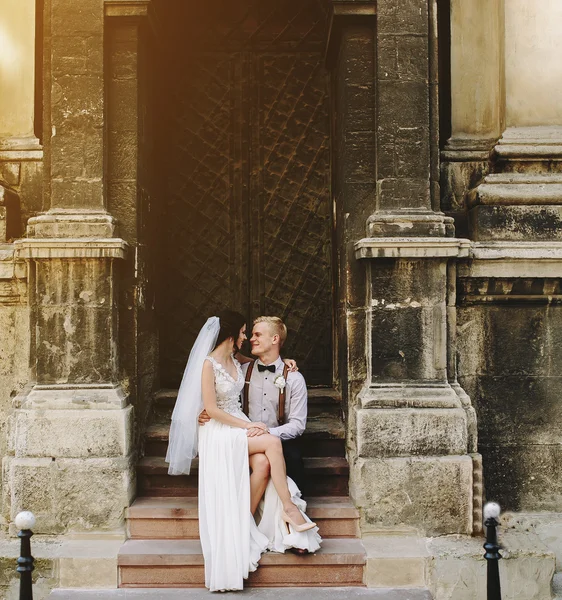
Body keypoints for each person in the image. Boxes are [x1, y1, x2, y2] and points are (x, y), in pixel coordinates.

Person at [165, 310, 320, 592]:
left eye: (253, 334)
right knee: (271, 443)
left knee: (262, 463)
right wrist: (238, 423)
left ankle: (242, 522)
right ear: (231, 333)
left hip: (239, 426)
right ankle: (289, 509)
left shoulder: (244, 362)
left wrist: (284, 362)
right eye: (244, 332)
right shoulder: (210, 363)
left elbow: (264, 364)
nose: (247, 338)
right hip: (222, 429)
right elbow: (211, 408)